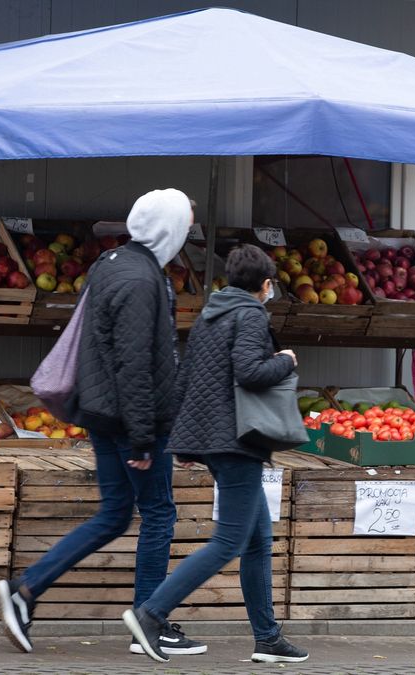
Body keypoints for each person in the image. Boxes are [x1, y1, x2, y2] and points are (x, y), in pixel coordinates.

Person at [0, 188, 205, 657]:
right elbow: (133, 363)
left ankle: (25, 590)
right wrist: (143, 438)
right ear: (169, 229)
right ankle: (148, 620)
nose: (186, 235)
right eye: (184, 227)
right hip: (132, 418)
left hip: (102, 412)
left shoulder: (112, 264)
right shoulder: (140, 281)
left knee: (113, 514)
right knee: (157, 514)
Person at [123, 245, 309, 665]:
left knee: (258, 539)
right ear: (265, 285)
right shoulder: (250, 315)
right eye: (271, 285)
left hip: (216, 439)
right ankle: (150, 614)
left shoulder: (211, 315)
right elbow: (250, 372)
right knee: (229, 542)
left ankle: (268, 638)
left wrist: (187, 443)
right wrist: (284, 360)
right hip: (237, 441)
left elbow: (185, 378)